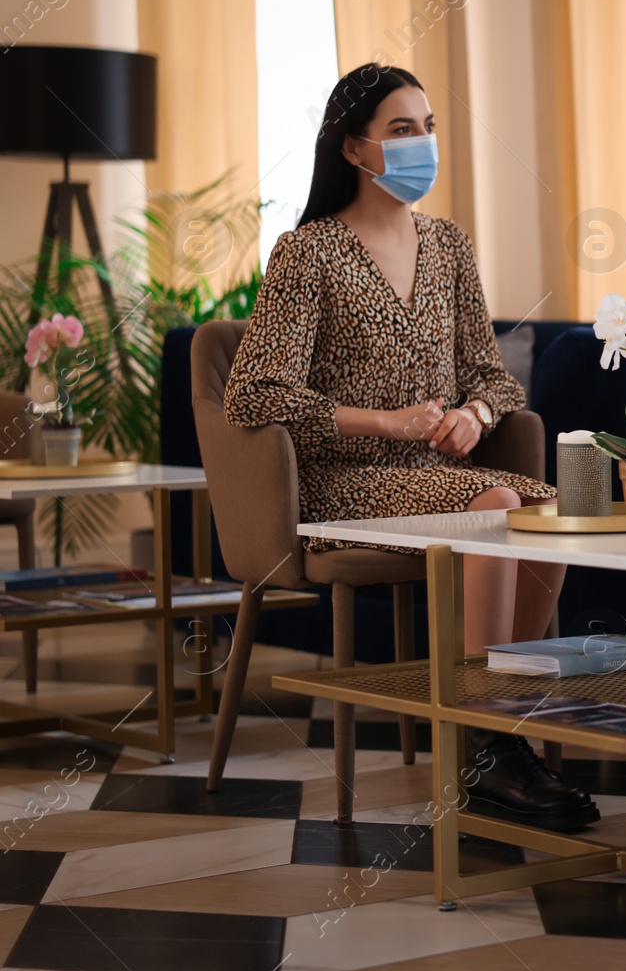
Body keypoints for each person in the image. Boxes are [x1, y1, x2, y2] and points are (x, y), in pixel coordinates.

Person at [224, 63, 597, 832]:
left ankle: (504, 727)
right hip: (338, 487)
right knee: (497, 503)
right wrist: (383, 421)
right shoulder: (309, 253)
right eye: (401, 130)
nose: (421, 143)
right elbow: (253, 394)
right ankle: (479, 744)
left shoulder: (450, 247)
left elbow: (497, 378)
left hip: (436, 476)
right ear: (354, 149)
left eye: (428, 126)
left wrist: (475, 413)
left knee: (546, 504)